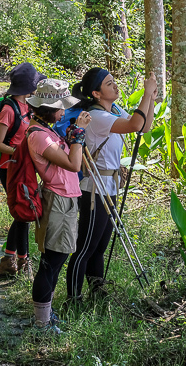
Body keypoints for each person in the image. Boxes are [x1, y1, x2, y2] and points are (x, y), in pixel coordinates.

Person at [65, 68, 157, 304]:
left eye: (114, 82)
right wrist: (145, 95)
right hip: (94, 189)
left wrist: (151, 99)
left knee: (99, 246)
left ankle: (97, 291)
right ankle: (73, 299)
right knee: (86, 246)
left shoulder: (112, 109)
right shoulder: (97, 116)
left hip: (110, 186)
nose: (115, 86)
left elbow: (144, 126)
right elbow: (135, 125)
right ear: (96, 93)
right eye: (109, 84)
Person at [26, 78, 92, 331]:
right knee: (51, 262)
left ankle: (47, 315)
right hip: (57, 199)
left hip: (64, 198)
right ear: (47, 109)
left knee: (57, 259)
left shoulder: (45, 129)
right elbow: (73, 165)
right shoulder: (40, 136)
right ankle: (42, 324)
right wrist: (78, 133)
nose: (64, 112)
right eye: (60, 108)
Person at [0, 63, 46, 279]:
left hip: (25, 168)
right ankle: (20, 262)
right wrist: (19, 152)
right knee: (23, 213)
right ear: (28, 86)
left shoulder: (28, 107)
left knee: (25, 213)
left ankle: (13, 260)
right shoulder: (9, 109)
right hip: (11, 169)